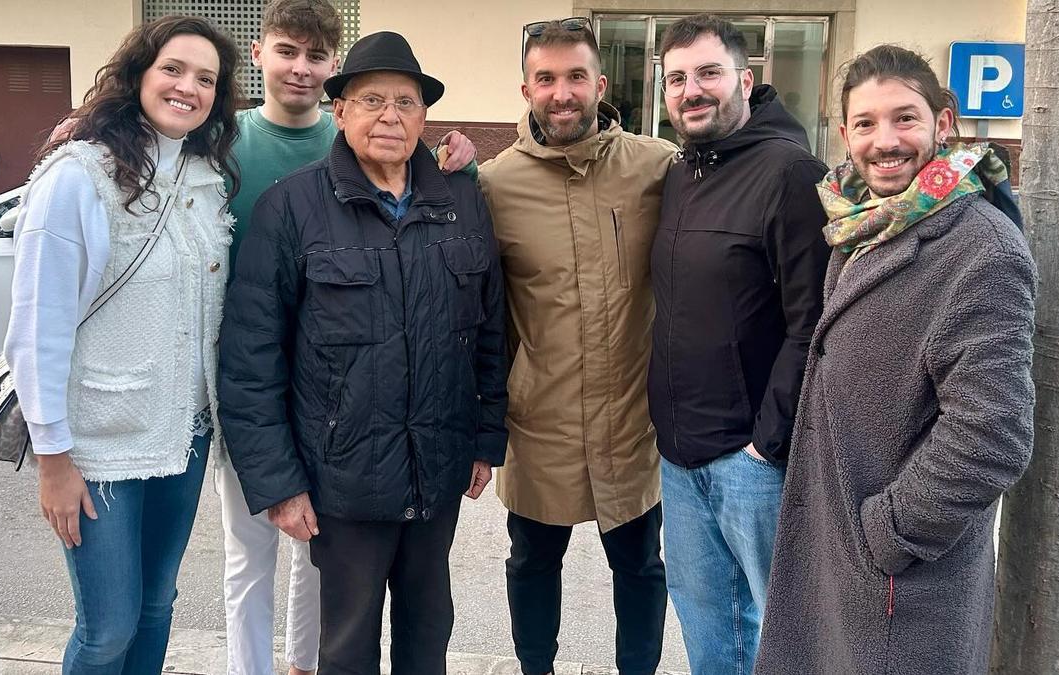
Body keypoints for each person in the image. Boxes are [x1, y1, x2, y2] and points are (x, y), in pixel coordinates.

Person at [217, 31, 507, 675]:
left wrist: (486, 440)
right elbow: (251, 359)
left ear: (424, 116)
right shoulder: (290, 208)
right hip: (341, 476)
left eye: (405, 102)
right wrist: (280, 482)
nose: (389, 116)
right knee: (345, 645)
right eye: (371, 100)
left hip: (437, 464)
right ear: (339, 111)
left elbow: (489, 330)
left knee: (428, 629)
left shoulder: (460, 201)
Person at [754, 45, 1035, 675]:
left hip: (901, 590)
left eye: (904, 118)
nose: (885, 141)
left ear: (943, 121)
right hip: (841, 557)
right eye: (865, 123)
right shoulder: (861, 224)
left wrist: (887, 532)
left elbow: (992, 435)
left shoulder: (982, 251)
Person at [2, 16, 241, 674]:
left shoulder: (205, 176)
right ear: (139, 72)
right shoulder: (78, 175)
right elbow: (37, 326)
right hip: (98, 445)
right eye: (173, 68)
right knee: (107, 626)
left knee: (156, 605)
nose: (187, 86)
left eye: (206, 79)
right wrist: (54, 459)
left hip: (185, 436)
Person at [478, 18, 677, 675]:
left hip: (631, 421)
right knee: (532, 562)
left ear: (600, 82)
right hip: (540, 423)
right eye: (546, 79)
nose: (561, 92)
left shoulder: (656, 167)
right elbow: (480, 311)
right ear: (526, 88)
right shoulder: (494, 185)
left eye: (573, 77)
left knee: (641, 566)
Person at [647, 15, 829, 675]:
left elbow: (816, 321)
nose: (692, 90)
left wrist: (765, 445)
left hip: (752, 464)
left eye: (709, 73)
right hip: (680, 457)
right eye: (678, 79)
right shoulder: (679, 172)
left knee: (785, 636)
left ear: (746, 81)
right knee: (709, 634)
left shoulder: (790, 173)